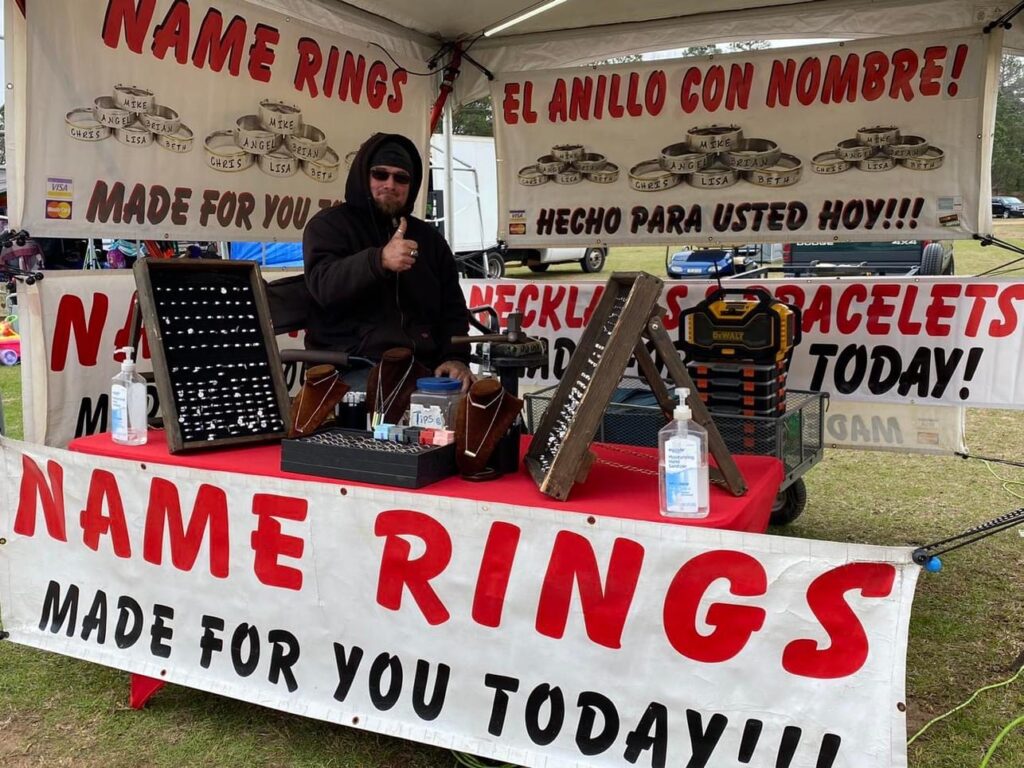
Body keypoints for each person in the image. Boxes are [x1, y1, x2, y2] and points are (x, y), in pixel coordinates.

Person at [302, 132, 473, 390]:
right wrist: (378, 260)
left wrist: (455, 358)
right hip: (352, 367)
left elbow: (453, 310)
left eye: (401, 178)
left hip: (422, 369)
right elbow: (323, 286)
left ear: (412, 186)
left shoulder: (430, 240)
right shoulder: (329, 226)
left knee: (494, 412)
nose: (390, 184)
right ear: (363, 176)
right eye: (380, 174)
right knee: (398, 404)